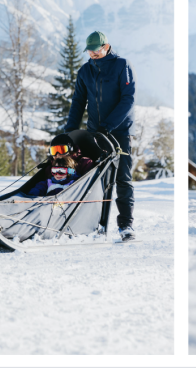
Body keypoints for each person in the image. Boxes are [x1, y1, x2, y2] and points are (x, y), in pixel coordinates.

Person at [63, 31, 136, 241]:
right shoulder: (85, 71)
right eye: (90, 52)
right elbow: (78, 102)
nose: (93, 55)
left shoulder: (122, 65)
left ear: (106, 47)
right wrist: (70, 131)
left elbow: (128, 100)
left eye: (97, 51)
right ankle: (92, 225)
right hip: (94, 132)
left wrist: (109, 126)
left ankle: (125, 226)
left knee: (122, 178)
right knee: (91, 177)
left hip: (119, 131)